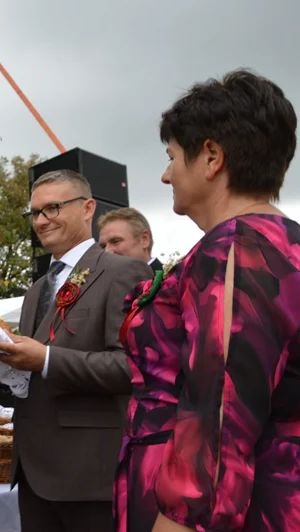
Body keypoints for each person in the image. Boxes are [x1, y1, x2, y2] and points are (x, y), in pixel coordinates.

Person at [115, 69, 300, 532]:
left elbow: (217, 423)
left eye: (172, 156)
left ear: (212, 156)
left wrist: (177, 522)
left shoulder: (236, 250)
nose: (164, 174)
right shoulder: (281, 244)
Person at [0, 169, 152, 532]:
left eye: (53, 208)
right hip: (32, 472)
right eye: (35, 213)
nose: (42, 221)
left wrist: (45, 359)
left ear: (88, 208)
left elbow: (131, 368)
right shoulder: (36, 290)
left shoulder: (122, 272)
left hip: (88, 475)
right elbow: (26, 371)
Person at [97, 207, 162, 271]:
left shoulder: (169, 279)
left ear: (144, 239)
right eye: (103, 246)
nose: (107, 251)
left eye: (116, 241)